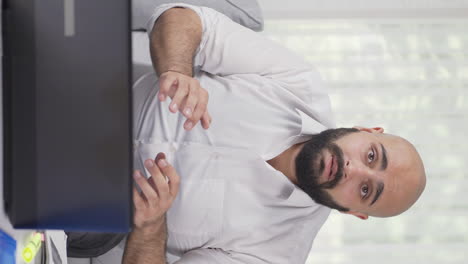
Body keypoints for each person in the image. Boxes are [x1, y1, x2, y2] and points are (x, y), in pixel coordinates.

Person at [122, 3, 427, 264]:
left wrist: (150, 226)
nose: (353, 169)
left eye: (365, 190)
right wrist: (177, 71)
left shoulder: (275, 254)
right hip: (104, 93)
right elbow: (180, 17)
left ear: (354, 212)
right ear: (365, 130)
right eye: (371, 155)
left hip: (93, 205)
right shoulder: (298, 81)